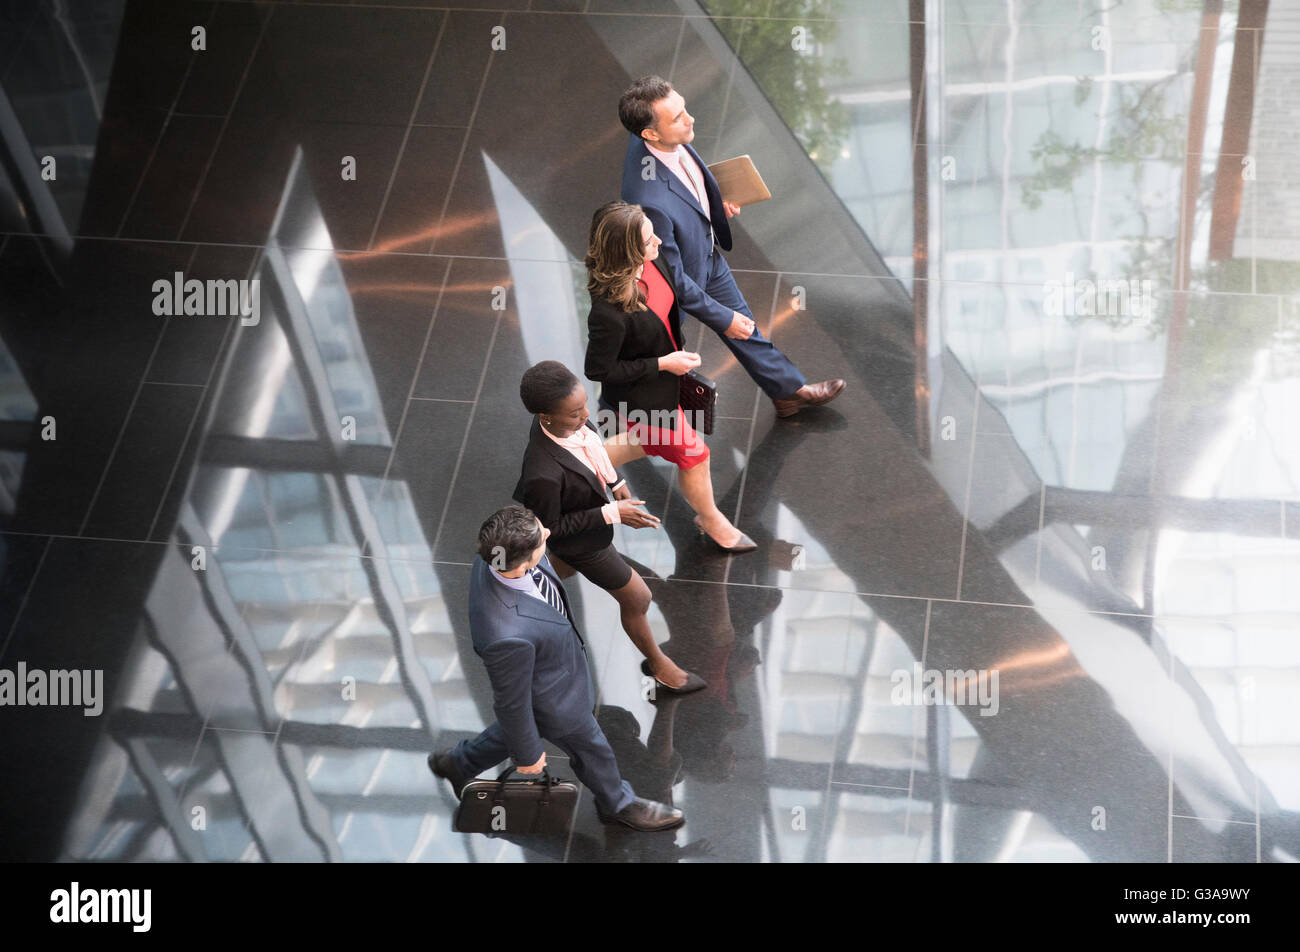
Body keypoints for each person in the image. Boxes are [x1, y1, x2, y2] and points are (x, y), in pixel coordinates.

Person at [428, 505, 685, 832]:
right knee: (593, 750)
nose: (547, 533)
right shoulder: (507, 637)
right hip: (559, 700)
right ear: (522, 563)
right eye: (541, 539)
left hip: (547, 672)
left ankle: (457, 763)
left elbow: (518, 711)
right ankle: (618, 804)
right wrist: (528, 756)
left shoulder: (495, 556)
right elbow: (511, 702)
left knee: (524, 722)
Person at [618, 74, 846, 419]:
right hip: (676, 286)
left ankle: (788, 393)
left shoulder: (662, 139)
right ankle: (622, 411)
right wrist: (723, 319)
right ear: (649, 133)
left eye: (684, 109)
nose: (690, 119)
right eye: (678, 117)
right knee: (660, 353)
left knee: (745, 326)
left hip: (705, 256)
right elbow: (673, 279)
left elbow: (684, 187)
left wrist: (710, 205)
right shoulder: (648, 200)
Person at [514, 360, 705, 694]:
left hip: (583, 525)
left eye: (584, 405)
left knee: (554, 569)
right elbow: (554, 527)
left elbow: (591, 449)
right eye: (574, 413)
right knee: (638, 597)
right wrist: (611, 512)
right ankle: (660, 665)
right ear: (545, 416)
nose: (586, 416)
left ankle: (525, 586)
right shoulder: (542, 473)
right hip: (583, 543)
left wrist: (615, 482)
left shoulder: (563, 426)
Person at [584, 199, 756, 555]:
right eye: (649, 240)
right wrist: (663, 363)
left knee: (647, 441)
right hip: (645, 397)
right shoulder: (607, 311)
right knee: (695, 454)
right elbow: (598, 369)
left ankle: (579, 465)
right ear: (627, 250)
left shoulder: (652, 262)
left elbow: (677, 294)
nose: (660, 242)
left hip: (669, 382)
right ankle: (710, 518)